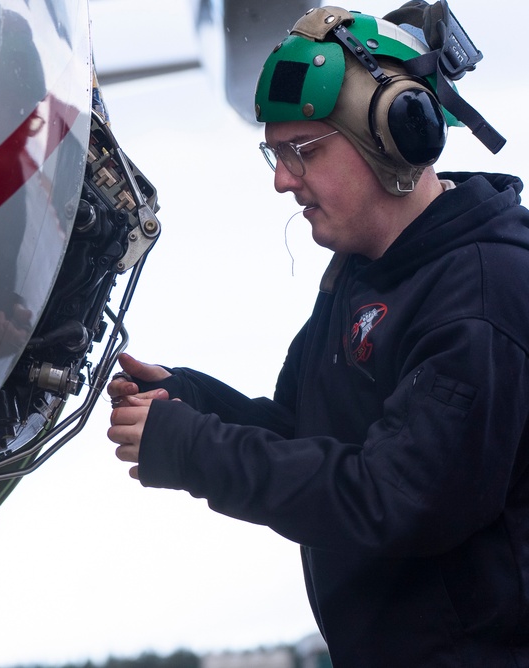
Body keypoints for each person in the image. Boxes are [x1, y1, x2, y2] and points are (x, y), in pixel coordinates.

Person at [106, 3, 529, 666]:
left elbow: (396, 499)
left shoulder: (479, 295)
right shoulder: (362, 278)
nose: (281, 180)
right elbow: (310, 441)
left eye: (302, 151)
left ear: (396, 134)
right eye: (273, 154)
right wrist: (190, 405)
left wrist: (192, 451)